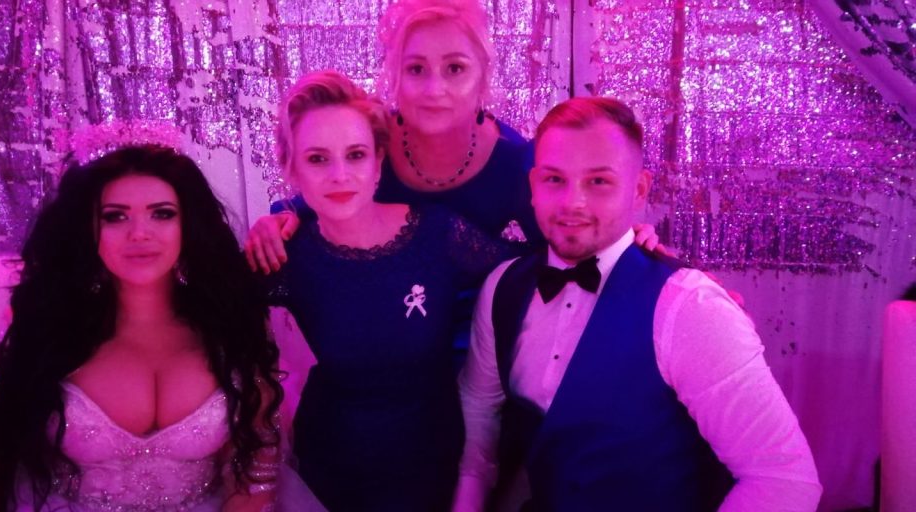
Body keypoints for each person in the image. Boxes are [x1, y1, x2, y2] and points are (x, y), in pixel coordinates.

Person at [454, 97, 822, 511]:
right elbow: (479, 418)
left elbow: (784, 479)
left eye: (598, 181)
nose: (573, 202)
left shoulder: (691, 306)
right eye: (555, 179)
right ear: (533, 187)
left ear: (639, 190)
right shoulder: (502, 288)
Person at [0, 141, 283, 511]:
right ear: (89, 229)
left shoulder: (234, 327)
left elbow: (256, 471)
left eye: (162, 214)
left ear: (189, 225)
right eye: (115, 216)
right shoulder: (45, 327)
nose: (139, 233)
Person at [246, 0, 662, 273]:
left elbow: (563, 247)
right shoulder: (370, 143)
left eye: (455, 68)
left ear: (483, 75)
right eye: (416, 69)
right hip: (386, 327)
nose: (434, 89)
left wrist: (624, 243)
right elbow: (317, 196)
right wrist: (277, 220)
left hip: (482, 337)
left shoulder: (516, 162)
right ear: (395, 75)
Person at [267, 69, 512, 512]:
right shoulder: (286, 255)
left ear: (378, 161)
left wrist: (628, 239)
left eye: (356, 155)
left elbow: (534, 270)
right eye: (318, 159)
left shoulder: (437, 235)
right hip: (329, 474)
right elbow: (207, 309)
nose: (340, 175)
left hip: (433, 469)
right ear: (291, 168)